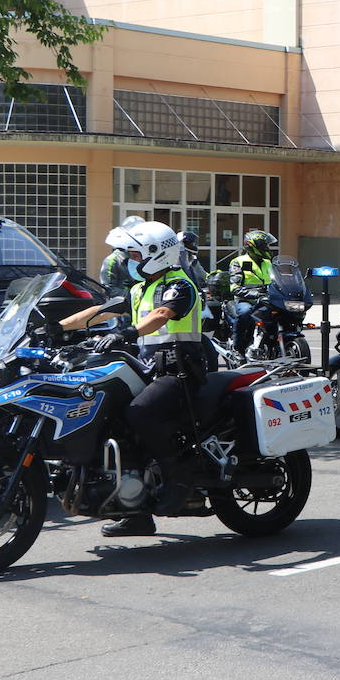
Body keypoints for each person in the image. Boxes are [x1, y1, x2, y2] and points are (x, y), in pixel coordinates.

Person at [61, 220, 206, 537]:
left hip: (178, 370)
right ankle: (135, 510)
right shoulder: (141, 288)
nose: (130, 261)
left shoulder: (180, 285)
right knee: (112, 418)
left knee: (139, 413)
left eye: (135, 255)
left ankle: (178, 478)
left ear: (158, 254)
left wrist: (127, 333)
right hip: (148, 368)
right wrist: (54, 326)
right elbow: (99, 310)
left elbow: (162, 315)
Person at [228, 230, 277, 354]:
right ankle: (238, 348)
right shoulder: (238, 262)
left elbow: (276, 280)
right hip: (245, 300)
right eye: (264, 245)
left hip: (265, 299)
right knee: (245, 313)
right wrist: (255, 294)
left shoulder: (268, 263)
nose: (267, 248)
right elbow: (234, 287)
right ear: (253, 246)